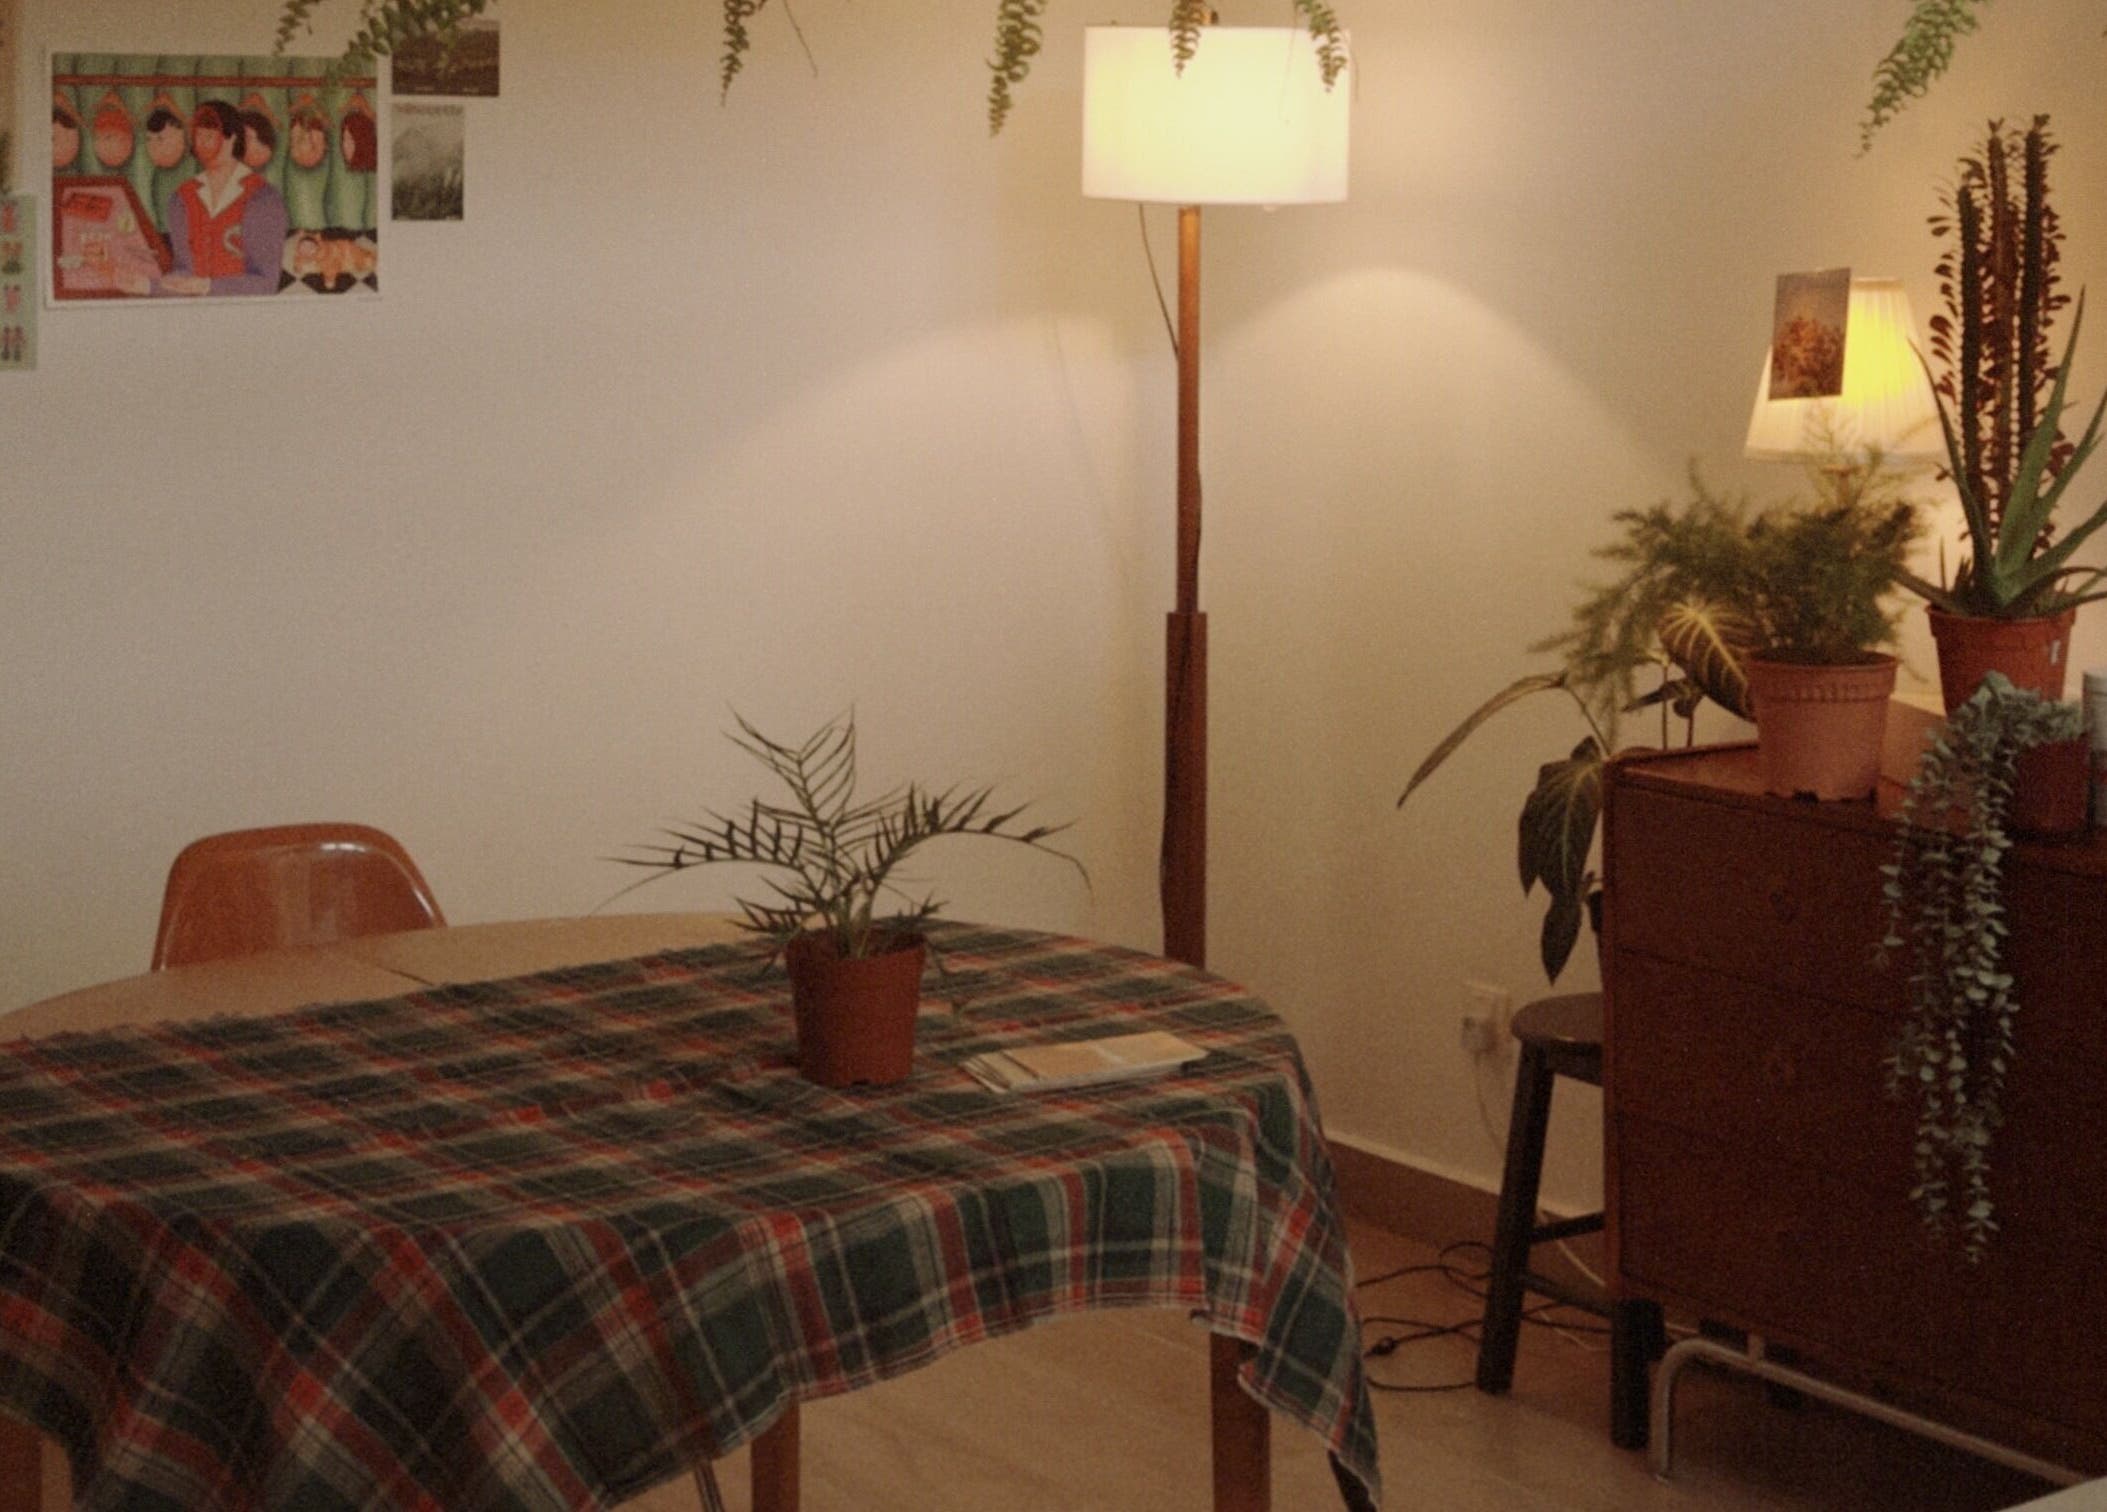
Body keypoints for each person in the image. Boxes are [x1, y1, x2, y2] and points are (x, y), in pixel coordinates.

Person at [160, 99, 288, 297]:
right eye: (198, 136)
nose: (201, 143)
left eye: (210, 136)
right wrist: (146, 284)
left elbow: (266, 283)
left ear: (232, 139)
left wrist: (208, 286)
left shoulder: (263, 198)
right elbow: (183, 269)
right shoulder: (181, 197)